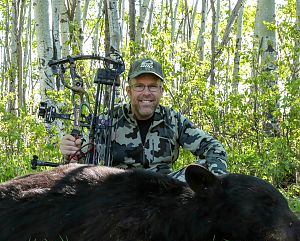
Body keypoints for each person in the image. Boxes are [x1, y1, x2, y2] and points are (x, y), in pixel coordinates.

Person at [59, 58, 228, 181]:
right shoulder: (108, 119)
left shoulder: (174, 120)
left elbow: (214, 147)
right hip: (121, 187)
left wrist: (219, 182)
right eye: (139, 86)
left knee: (203, 168)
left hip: (164, 187)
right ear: (129, 90)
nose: (146, 93)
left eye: (153, 86)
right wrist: (71, 153)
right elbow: (86, 161)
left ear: (161, 91)